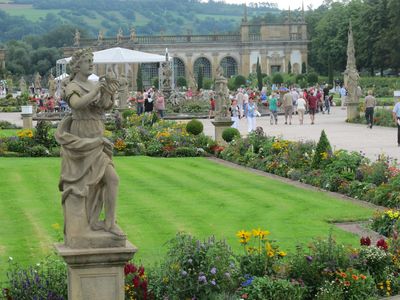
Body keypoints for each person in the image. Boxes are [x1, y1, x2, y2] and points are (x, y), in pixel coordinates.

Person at [55, 48, 123, 239]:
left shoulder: (93, 83)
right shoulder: (72, 85)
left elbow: (104, 106)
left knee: (112, 179)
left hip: (98, 135)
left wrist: (109, 92)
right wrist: (96, 90)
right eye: (87, 60)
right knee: (86, 185)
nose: (91, 63)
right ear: (77, 65)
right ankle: (84, 224)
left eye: (92, 60)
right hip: (82, 139)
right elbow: (76, 104)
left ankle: (110, 222)